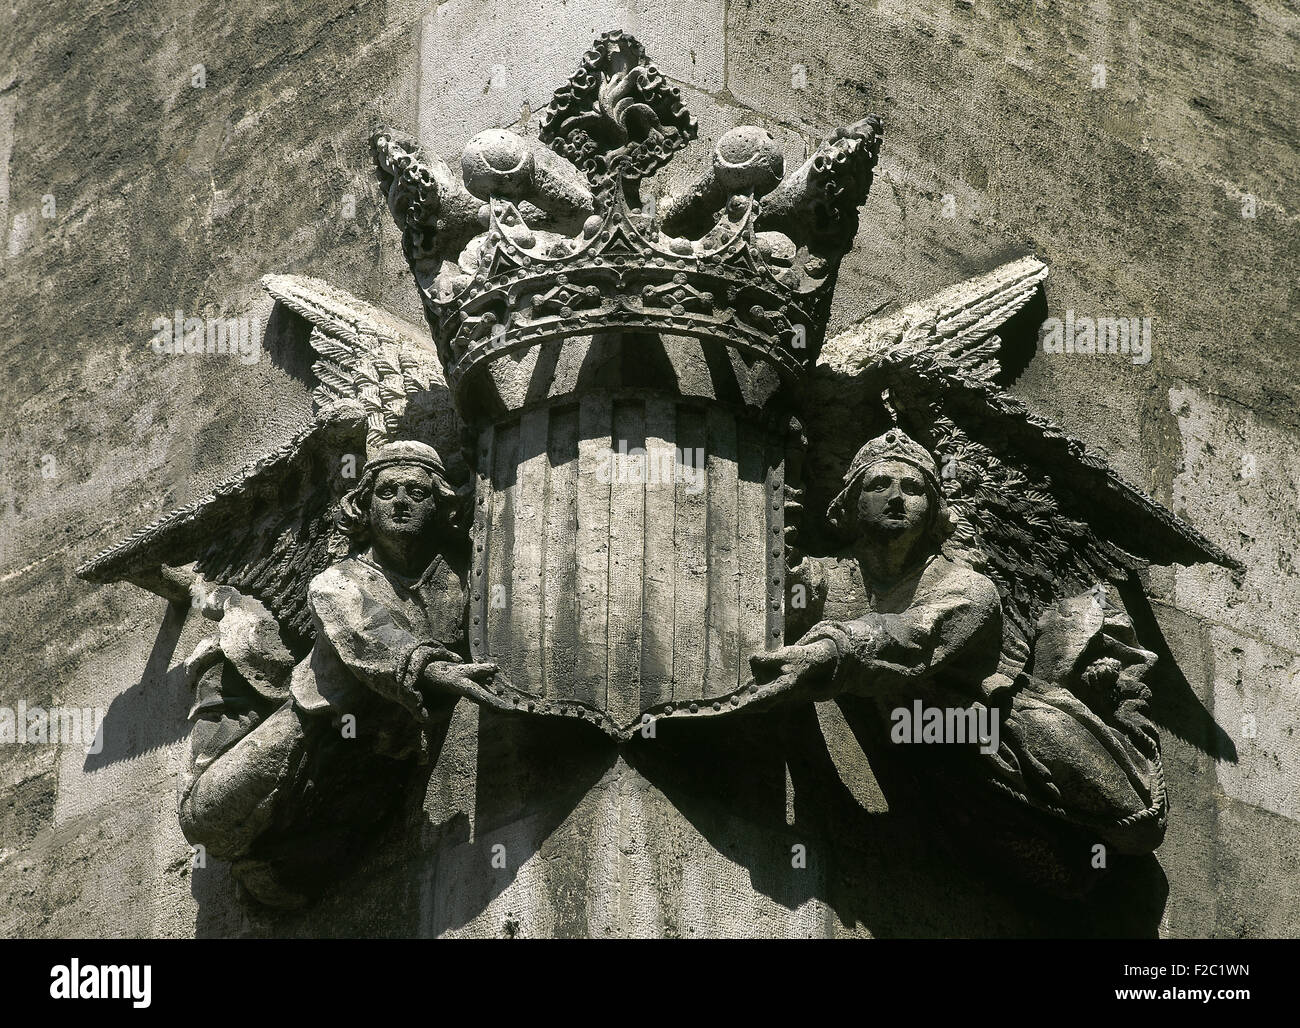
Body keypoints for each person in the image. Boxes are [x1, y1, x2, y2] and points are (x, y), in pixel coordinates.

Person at [750, 427, 1168, 864]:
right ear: (851, 503)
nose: (896, 498)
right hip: (921, 746)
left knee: (1138, 821)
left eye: (913, 489)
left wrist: (830, 650)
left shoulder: (967, 587)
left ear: (933, 512)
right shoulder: (831, 578)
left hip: (998, 724)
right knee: (1039, 861)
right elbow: (783, 591)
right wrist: (783, 500)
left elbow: (914, 635)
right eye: (879, 485)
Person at [178, 441, 495, 905]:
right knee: (206, 822)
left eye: (416, 492)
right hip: (310, 729)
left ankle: (284, 870)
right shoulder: (337, 581)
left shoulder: (462, 578)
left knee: (313, 855)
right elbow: (369, 633)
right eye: (386, 492)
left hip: (380, 752)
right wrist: (433, 670)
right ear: (364, 507)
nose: (400, 503)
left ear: (440, 503)